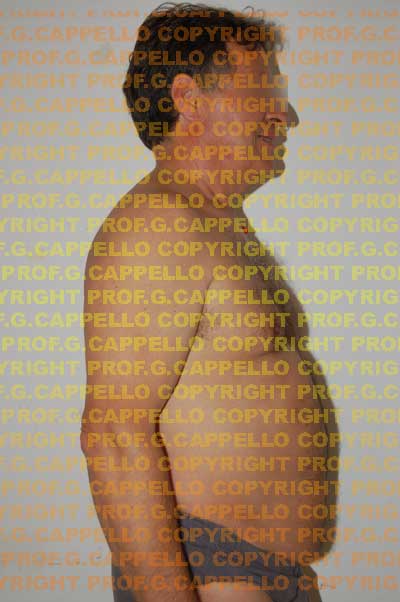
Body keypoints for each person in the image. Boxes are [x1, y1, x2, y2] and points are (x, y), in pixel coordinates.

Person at [80, 4, 339, 601]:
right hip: (212, 568)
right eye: (266, 89)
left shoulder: (213, 221)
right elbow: (114, 435)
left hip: (254, 572)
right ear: (189, 98)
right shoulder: (160, 222)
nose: (287, 114)